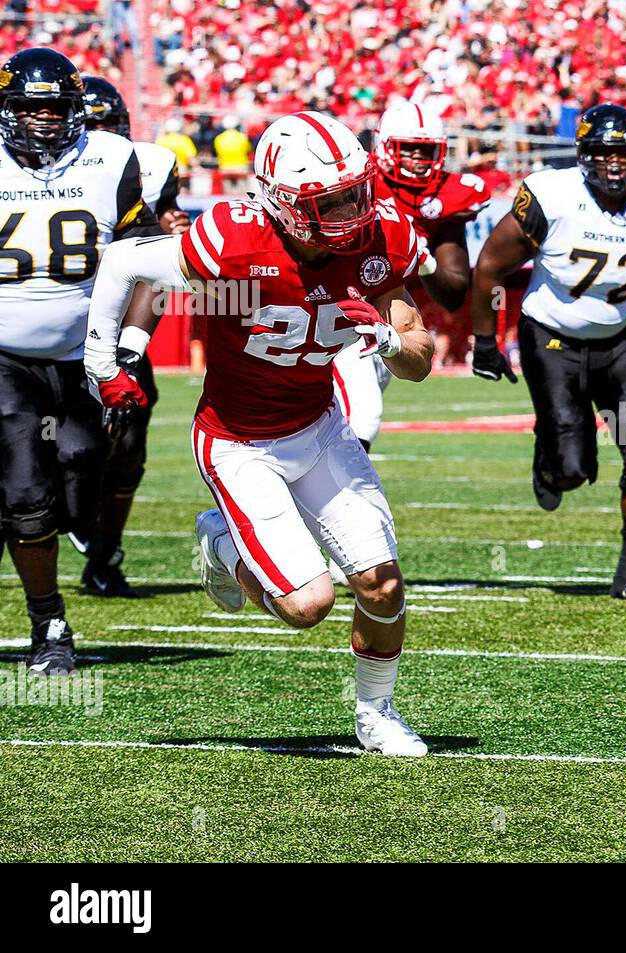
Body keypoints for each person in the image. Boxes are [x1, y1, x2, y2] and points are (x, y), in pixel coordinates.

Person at [84, 111, 436, 756]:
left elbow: (418, 360)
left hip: (320, 426)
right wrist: (103, 363)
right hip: (239, 442)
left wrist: (384, 337)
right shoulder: (232, 238)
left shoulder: (383, 239)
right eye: (331, 200)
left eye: (358, 192)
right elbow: (121, 263)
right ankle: (221, 542)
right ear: (283, 202)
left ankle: (376, 713)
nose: (354, 211)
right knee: (307, 607)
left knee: (382, 579)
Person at [470, 103, 626, 600]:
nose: (614, 164)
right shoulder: (552, 196)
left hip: (620, 345)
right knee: (571, 471)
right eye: (604, 153)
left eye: (624, 153)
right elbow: (488, 268)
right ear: (584, 155)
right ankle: (549, 455)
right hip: (552, 340)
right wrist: (485, 341)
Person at [0, 48, 162, 674]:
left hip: (83, 354)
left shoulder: (112, 159)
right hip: (5, 357)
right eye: (29, 107)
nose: (43, 119)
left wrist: (125, 352)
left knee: (79, 480)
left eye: (55, 107)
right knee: (27, 495)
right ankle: (50, 624)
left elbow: (148, 262)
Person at [67, 76, 189, 598]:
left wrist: (129, 350)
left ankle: (104, 554)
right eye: (91, 125)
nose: (101, 136)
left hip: (116, 325)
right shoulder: (34, 172)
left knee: (129, 443)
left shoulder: (148, 166)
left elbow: (152, 267)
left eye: (110, 125)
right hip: (54, 326)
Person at [331, 98, 489, 452]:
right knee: (362, 414)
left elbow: (452, 292)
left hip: (391, 319)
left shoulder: (446, 197)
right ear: (384, 148)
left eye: (426, 150)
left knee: (330, 426)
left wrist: (423, 258)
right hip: (340, 308)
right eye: (409, 149)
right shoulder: (355, 183)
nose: (418, 159)